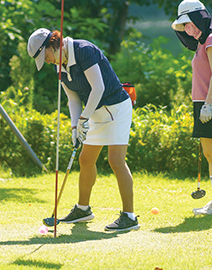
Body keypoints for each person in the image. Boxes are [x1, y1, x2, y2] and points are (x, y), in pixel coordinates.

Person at [27, 28, 139, 232]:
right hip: (93, 112)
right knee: (86, 160)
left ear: (53, 45)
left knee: (116, 160)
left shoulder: (84, 50)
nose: (48, 61)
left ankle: (129, 216)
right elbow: (73, 99)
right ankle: (83, 209)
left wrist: (84, 118)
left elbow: (98, 88)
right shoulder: (59, 67)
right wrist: (74, 127)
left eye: (47, 57)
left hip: (116, 108)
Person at [171, 0, 212, 216]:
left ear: (200, 19)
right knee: (210, 153)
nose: (188, 28)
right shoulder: (201, 43)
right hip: (204, 104)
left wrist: (208, 105)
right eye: (184, 25)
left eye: (190, 23)